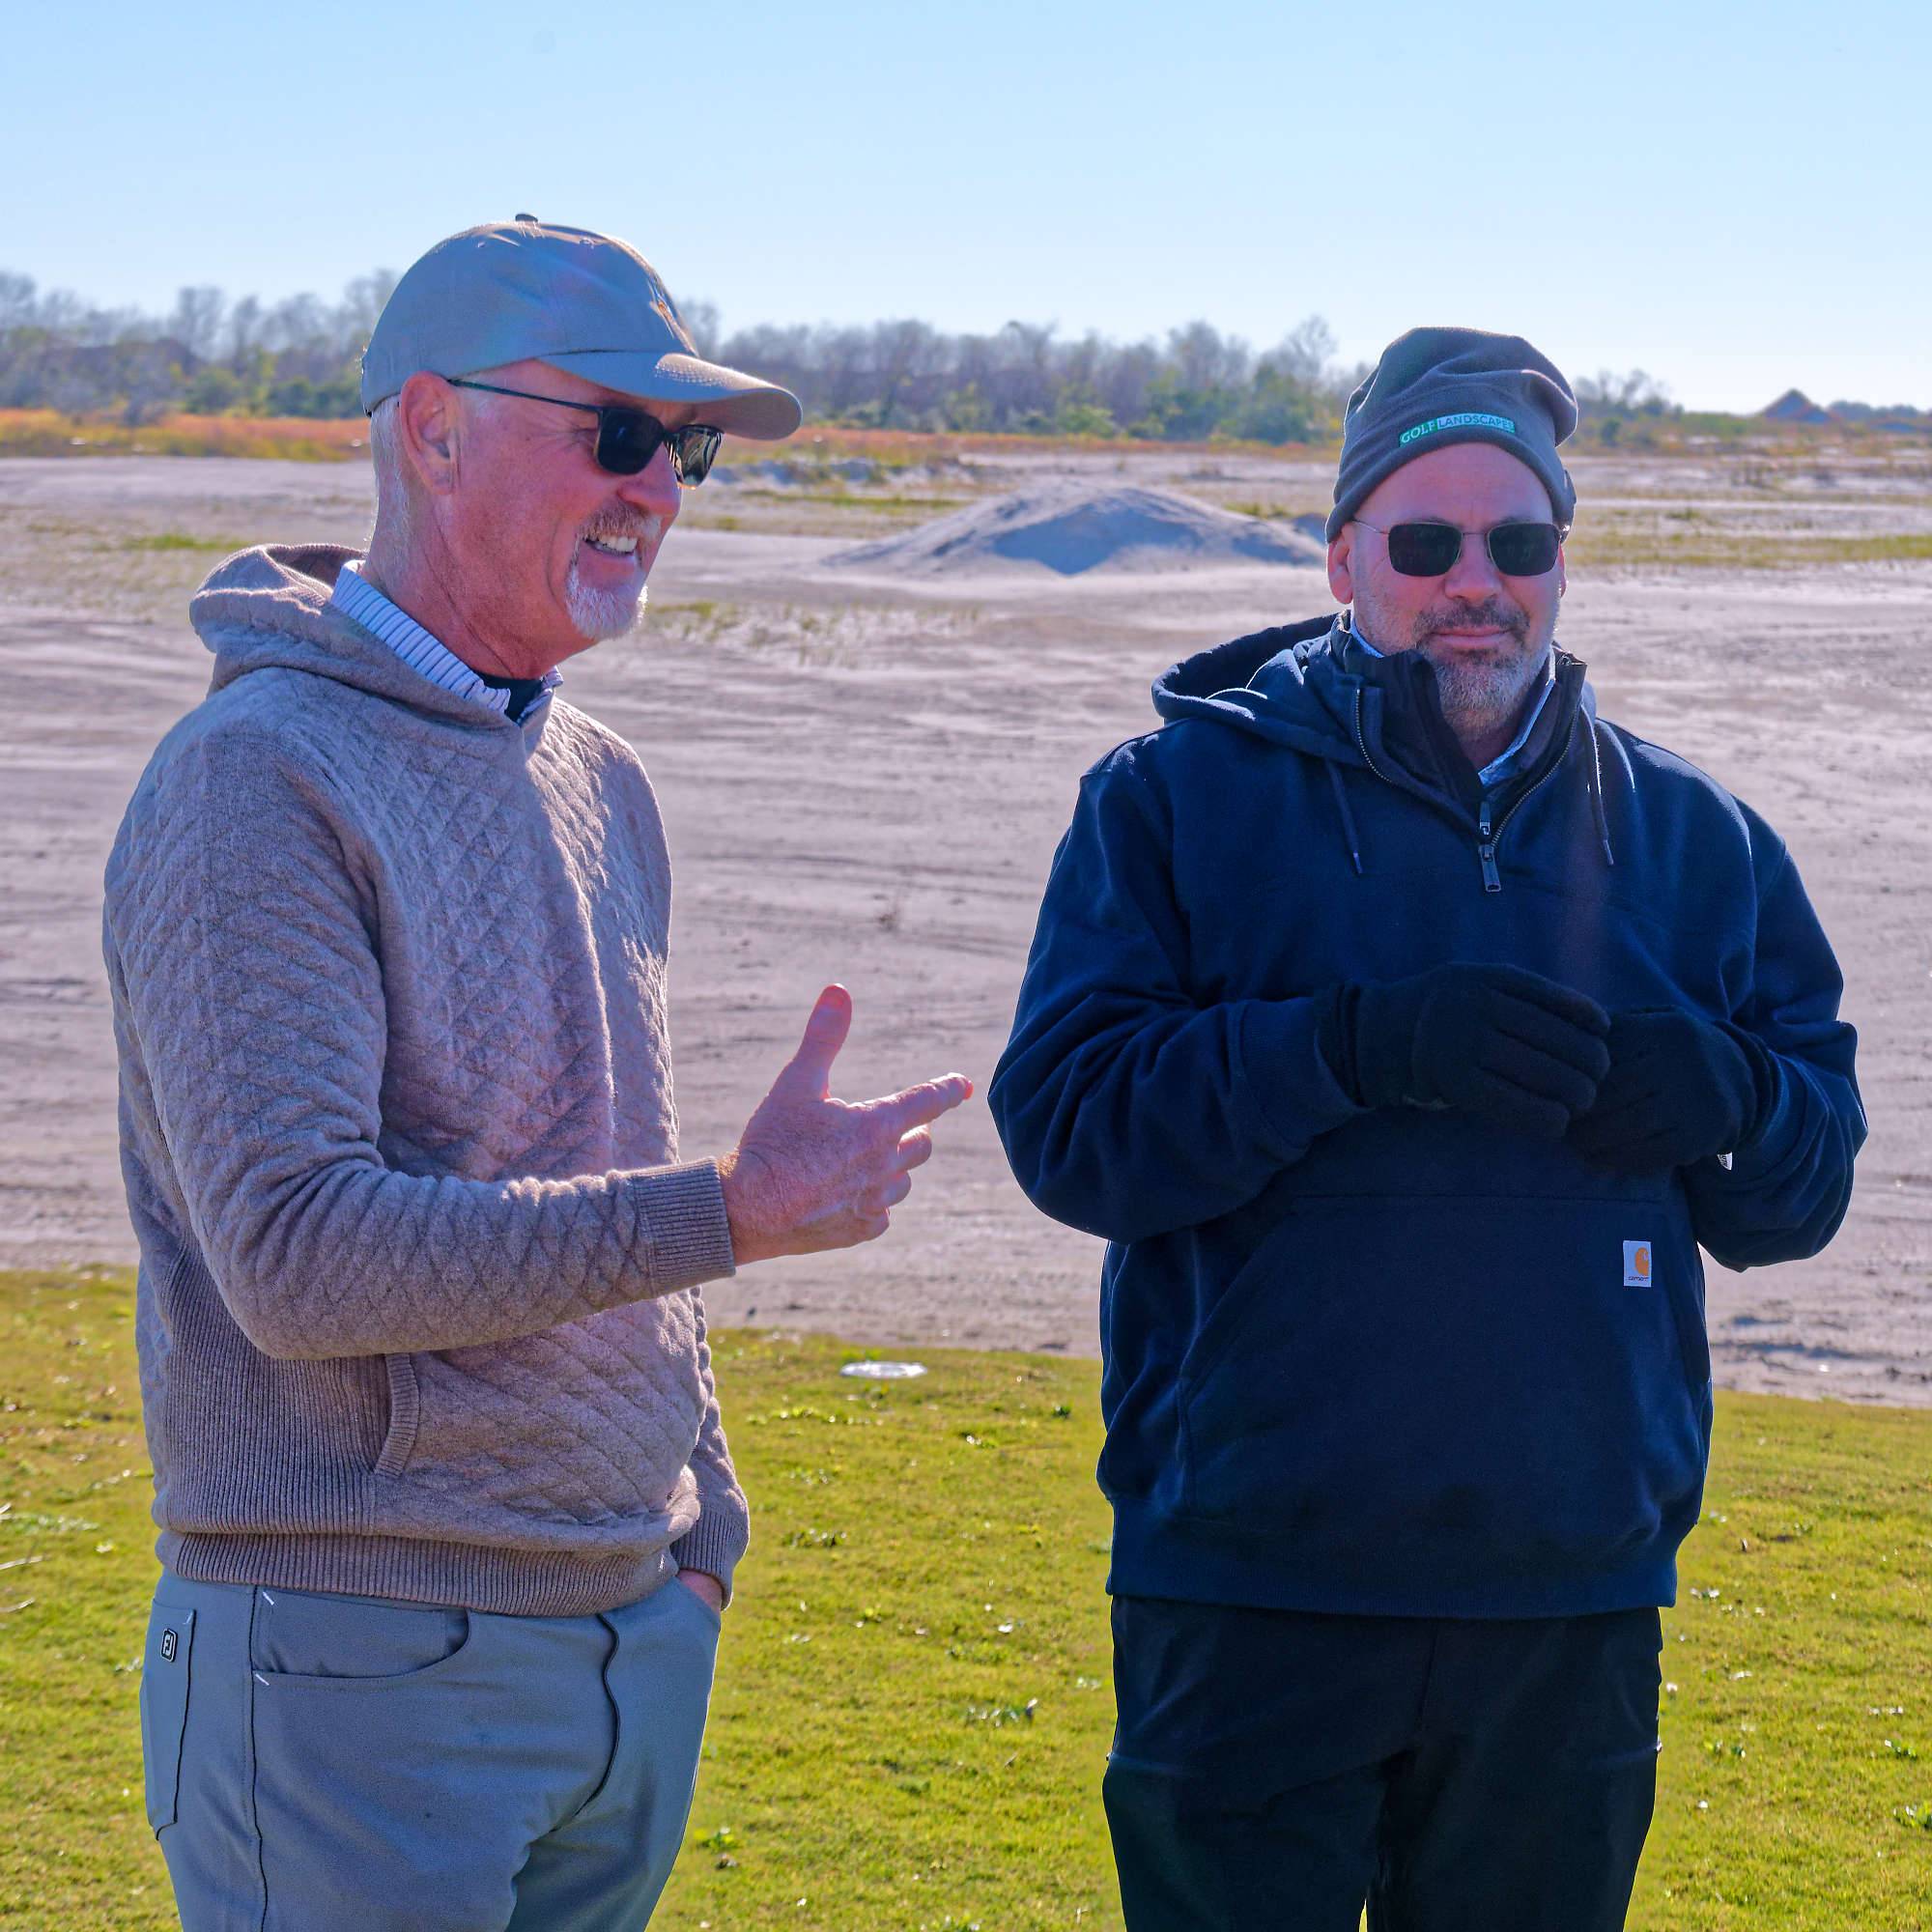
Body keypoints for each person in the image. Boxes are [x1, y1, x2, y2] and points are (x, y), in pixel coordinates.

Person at [104, 215, 972, 1931]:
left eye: (689, 450)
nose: (662, 487)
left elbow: (598, 1152)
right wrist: (724, 1214)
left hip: (625, 1645)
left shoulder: (600, 774)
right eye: (624, 433)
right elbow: (296, 1258)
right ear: (430, 425)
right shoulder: (253, 779)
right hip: (357, 1676)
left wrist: (702, 1532)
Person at [988, 327, 1863, 1930]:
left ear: (1559, 560)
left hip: (1569, 1597)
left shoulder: (1696, 840)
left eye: (1519, 542)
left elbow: (1804, 1184)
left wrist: (1733, 1096)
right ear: (1342, 559)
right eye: (1426, 541)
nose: (1478, 580)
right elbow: (1068, 1132)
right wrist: (1350, 1046)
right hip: (1254, 1581)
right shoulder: (1173, 799)